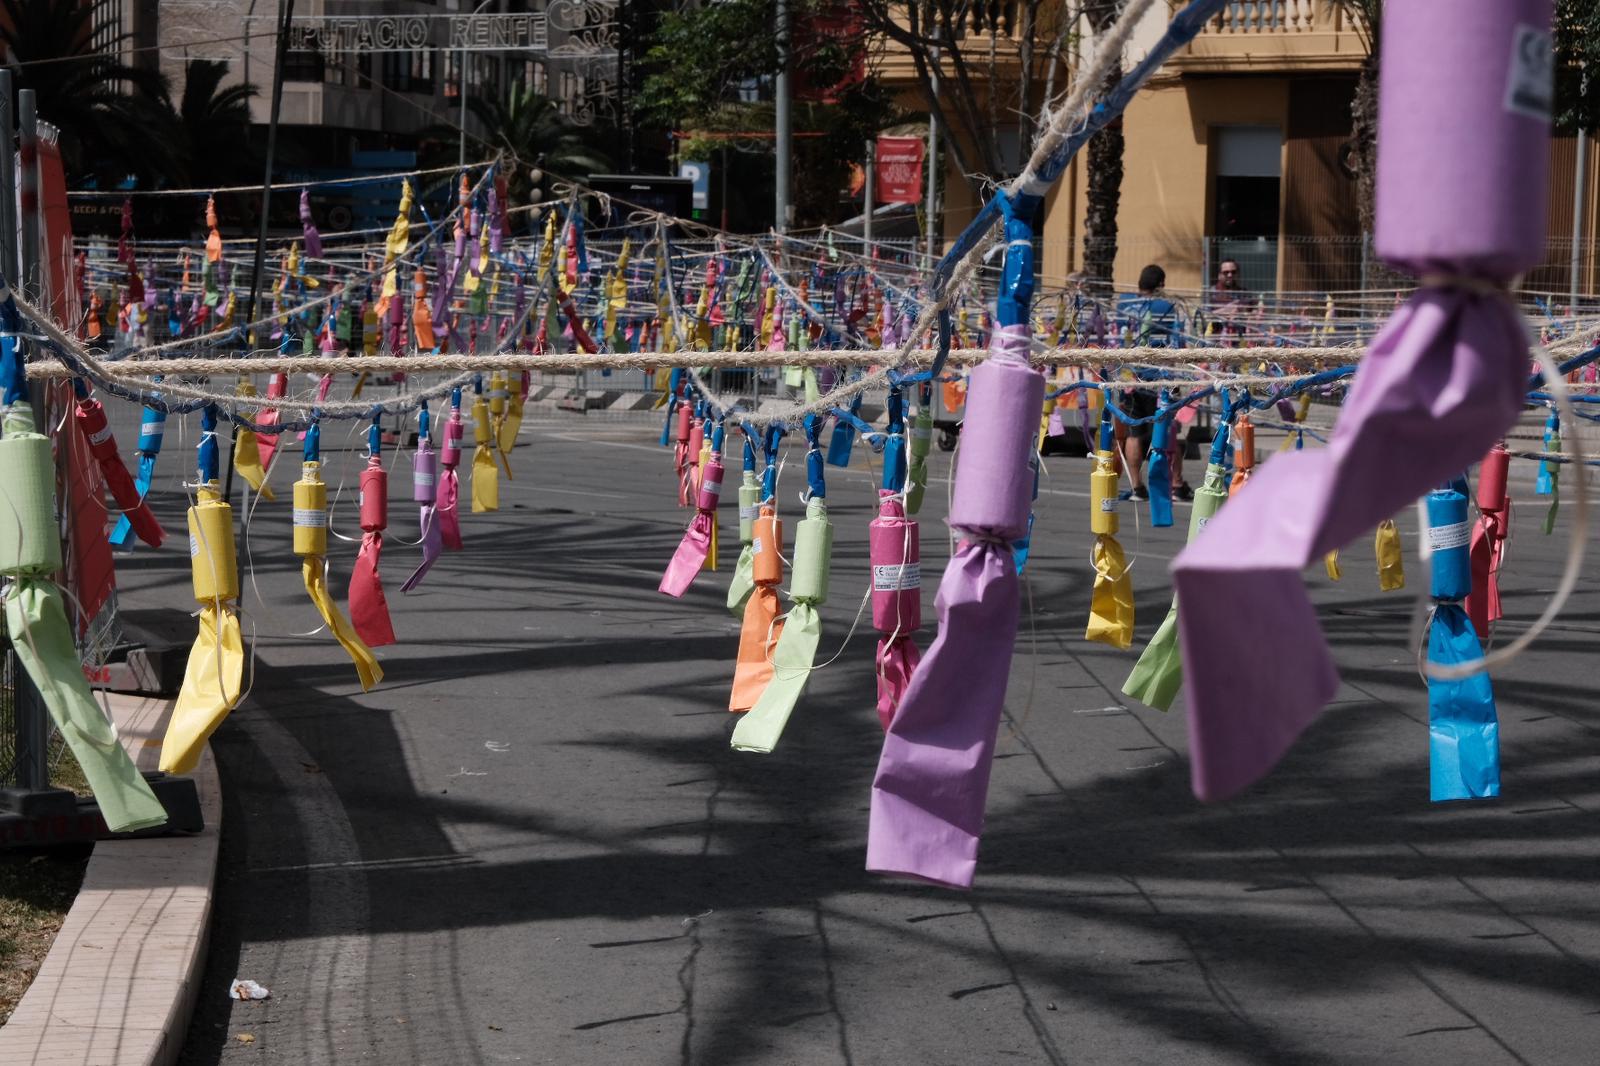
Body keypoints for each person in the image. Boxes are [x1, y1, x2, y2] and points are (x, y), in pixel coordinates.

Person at [1113, 265, 1192, 500]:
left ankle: (1137, 487)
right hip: (1159, 379)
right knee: (1168, 431)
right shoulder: (1165, 306)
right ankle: (1176, 484)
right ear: (1161, 284)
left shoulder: (1123, 304)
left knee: (1134, 433)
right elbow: (1173, 344)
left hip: (1130, 378)